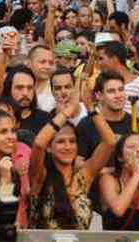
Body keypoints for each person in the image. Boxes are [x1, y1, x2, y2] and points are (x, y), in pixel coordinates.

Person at [29, 76, 115, 230]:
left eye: (72, 141)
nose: (68, 146)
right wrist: (69, 110)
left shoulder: (84, 176)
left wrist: (90, 108)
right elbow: (39, 143)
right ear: (50, 147)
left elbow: (110, 142)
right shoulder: (40, 175)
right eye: (61, 141)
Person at [99, 133, 139, 231]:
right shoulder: (108, 180)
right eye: (131, 147)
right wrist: (136, 174)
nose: (138, 150)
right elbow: (119, 209)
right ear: (120, 157)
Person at [76, 70, 132, 159]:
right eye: (111, 91)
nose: (118, 95)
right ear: (99, 96)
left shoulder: (134, 122)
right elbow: (78, 162)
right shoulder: (86, 124)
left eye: (121, 90)